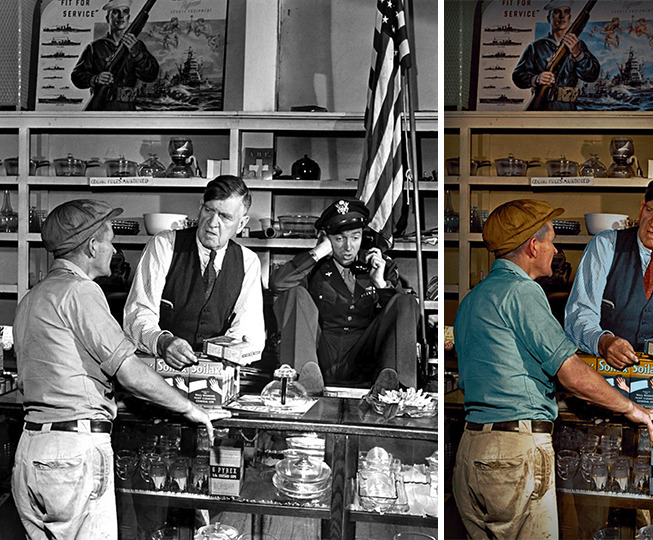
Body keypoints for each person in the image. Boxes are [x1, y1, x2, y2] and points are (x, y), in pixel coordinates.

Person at [452, 199, 653, 539]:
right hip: (513, 454)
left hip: (470, 452)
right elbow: (570, 372)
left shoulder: (474, 298)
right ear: (533, 245)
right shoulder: (522, 292)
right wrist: (631, 408)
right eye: (551, 241)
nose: (555, 250)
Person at [11, 199, 226, 538]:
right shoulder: (81, 291)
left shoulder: (33, 297)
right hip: (72, 453)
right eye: (109, 240)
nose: (113, 249)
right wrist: (191, 408)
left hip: (30, 450)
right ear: (92, 245)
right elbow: (129, 370)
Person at [270, 198, 418, 394]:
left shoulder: (379, 265)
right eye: (339, 239)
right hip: (318, 356)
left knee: (406, 300)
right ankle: (299, 382)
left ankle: (398, 387)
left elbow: (400, 316)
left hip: (363, 357)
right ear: (326, 238)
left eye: (355, 237)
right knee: (295, 292)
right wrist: (317, 252)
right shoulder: (312, 266)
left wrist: (380, 284)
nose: (348, 247)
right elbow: (277, 284)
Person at [123, 175, 265, 369]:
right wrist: (162, 342)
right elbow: (137, 315)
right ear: (200, 207)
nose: (213, 223)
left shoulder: (248, 261)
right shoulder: (165, 245)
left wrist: (227, 354)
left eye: (225, 216)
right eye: (209, 210)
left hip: (214, 372)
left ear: (241, 224)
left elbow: (248, 328)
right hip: (159, 368)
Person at [565, 175, 653, 369]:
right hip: (600, 370)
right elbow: (579, 315)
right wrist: (603, 342)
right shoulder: (605, 245)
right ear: (641, 208)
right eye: (650, 210)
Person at [71, 0, 159, 111]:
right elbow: (76, 76)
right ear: (107, 18)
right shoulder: (95, 47)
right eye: (116, 12)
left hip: (127, 108)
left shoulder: (137, 45)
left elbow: (151, 75)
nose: (121, 16)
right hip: (102, 106)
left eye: (125, 12)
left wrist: (137, 54)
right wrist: (95, 79)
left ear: (129, 18)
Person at [512, 0, 600, 110]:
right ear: (548, 18)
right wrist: (537, 79)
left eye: (566, 12)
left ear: (570, 17)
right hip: (544, 107)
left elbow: (592, 75)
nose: (562, 16)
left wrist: (578, 54)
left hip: (569, 108)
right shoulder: (536, 47)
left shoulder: (578, 46)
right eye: (557, 12)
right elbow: (518, 76)